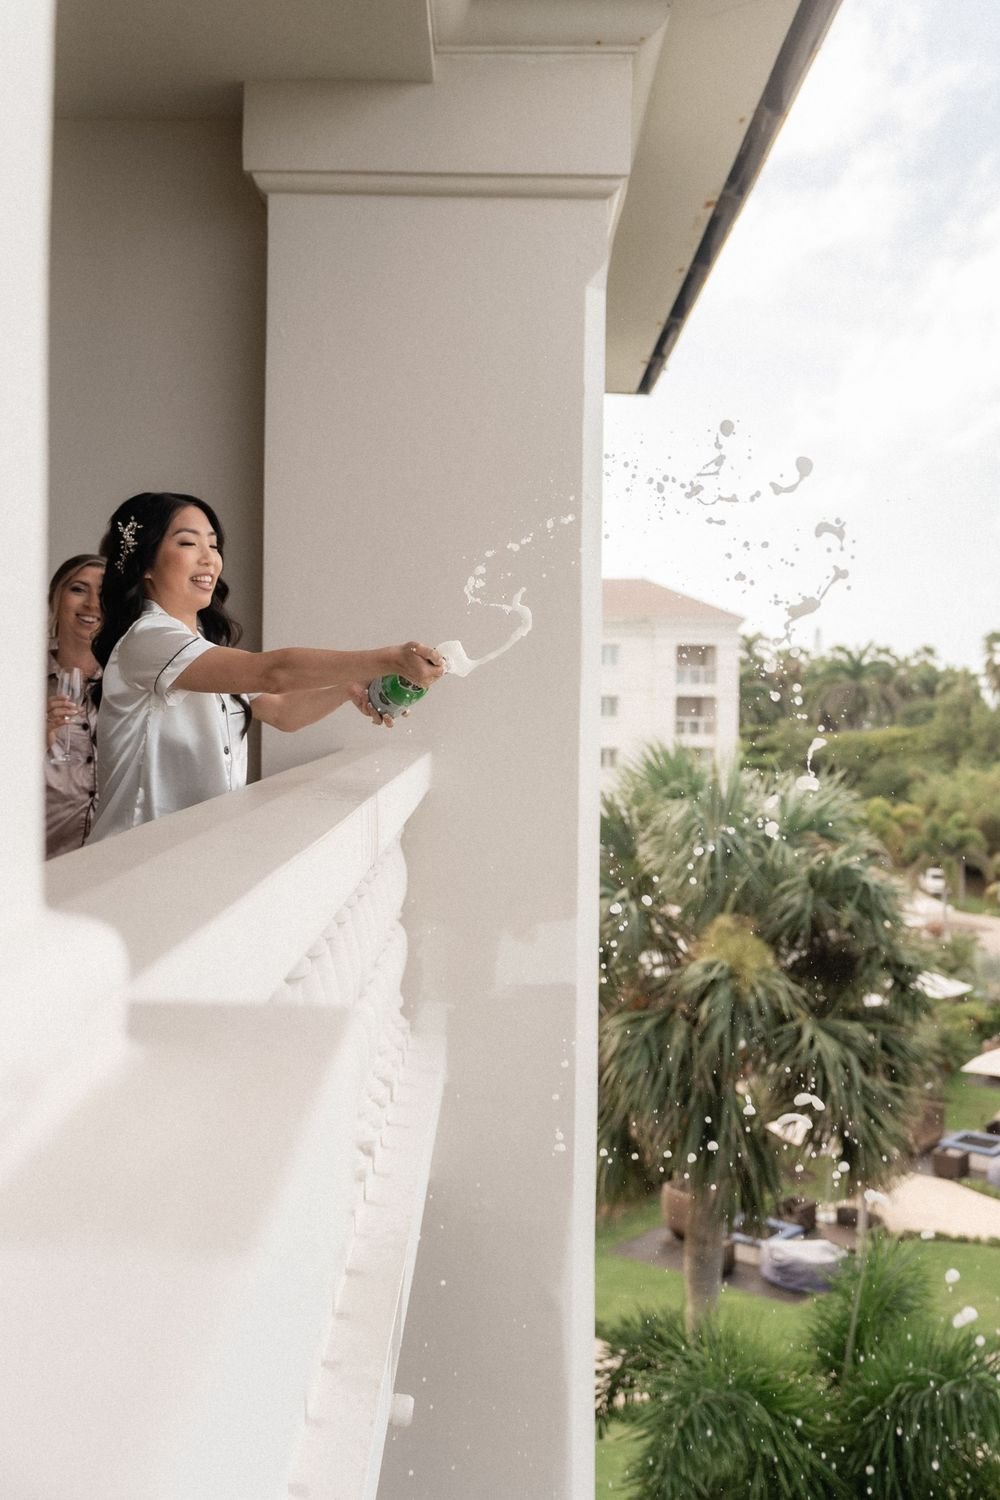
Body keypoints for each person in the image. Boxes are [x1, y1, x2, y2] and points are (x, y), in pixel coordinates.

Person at [88, 492, 443, 842]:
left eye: (213, 546)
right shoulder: (148, 640)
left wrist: (349, 688)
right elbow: (273, 673)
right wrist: (390, 658)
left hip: (189, 854)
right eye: (188, 543)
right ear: (145, 564)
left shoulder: (200, 650)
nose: (209, 559)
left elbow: (283, 712)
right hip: (132, 859)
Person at [45, 554, 105, 857]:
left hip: (111, 863)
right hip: (40, 863)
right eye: (78, 589)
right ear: (56, 598)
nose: (93, 603)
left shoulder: (131, 683)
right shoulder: (18, 680)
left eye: (104, 593)